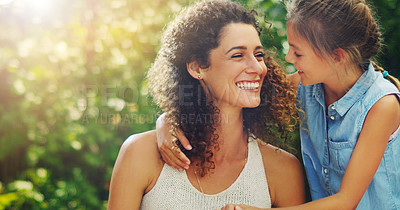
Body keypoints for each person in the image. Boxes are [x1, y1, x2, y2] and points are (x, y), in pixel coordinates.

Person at [157, 0, 400, 209]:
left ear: (336, 57)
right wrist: (168, 120)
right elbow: (240, 90)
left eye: (298, 53)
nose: (288, 58)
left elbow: (346, 202)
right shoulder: (308, 85)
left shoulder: (382, 106)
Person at [107, 0, 305, 209]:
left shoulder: (282, 170)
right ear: (197, 67)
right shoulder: (140, 154)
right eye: (238, 55)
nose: (257, 67)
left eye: (258, 55)